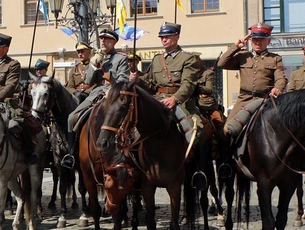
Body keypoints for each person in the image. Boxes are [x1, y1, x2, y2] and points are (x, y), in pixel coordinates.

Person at [62, 29, 129, 168]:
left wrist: (112, 88)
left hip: (113, 94)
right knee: (71, 118)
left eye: (107, 39)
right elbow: (88, 80)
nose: (103, 41)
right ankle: (71, 154)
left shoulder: (121, 59)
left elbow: (123, 80)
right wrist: (93, 65)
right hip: (96, 93)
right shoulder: (97, 58)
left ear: (114, 42)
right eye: (102, 39)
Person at [218, 22, 287, 138]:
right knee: (226, 130)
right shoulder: (243, 56)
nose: (258, 42)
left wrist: (278, 88)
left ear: (268, 41)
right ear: (250, 41)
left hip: (265, 101)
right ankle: (227, 156)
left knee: (282, 131)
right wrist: (236, 47)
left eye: (261, 39)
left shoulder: (275, 58)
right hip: (244, 101)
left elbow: (281, 78)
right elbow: (221, 63)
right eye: (255, 39)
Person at [132, 22, 201, 138]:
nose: (164, 40)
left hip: (181, 102)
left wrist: (175, 98)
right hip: (157, 101)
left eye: (167, 36)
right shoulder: (157, 59)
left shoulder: (188, 58)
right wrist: (139, 81)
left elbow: (188, 84)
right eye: (162, 37)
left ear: (177, 37)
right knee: (135, 132)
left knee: (196, 134)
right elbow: (152, 86)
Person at [0, 33, 37, 165]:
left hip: (5, 102)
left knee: (18, 123)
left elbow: (10, 86)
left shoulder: (13, 64)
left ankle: (29, 152)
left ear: (5, 49)